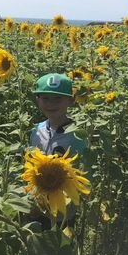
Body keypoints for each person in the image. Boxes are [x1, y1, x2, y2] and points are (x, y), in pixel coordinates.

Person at [29, 73, 89, 229]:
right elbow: (30, 166)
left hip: (64, 209)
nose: (51, 104)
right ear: (38, 100)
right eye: (46, 98)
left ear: (71, 101)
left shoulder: (78, 135)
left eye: (57, 99)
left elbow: (79, 174)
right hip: (37, 206)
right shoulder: (36, 131)